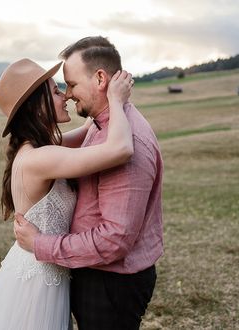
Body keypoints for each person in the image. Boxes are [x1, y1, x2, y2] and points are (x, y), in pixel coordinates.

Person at [14, 36, 164, 330]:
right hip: (92, 272)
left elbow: (114, 240)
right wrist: (112, 101)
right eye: (61, 88)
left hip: (111, 281)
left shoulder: (124, 141)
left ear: (99, 78)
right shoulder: (100, 125)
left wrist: (41, 244)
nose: (67, 95)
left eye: (70, 84)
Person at [0, 57, 134, 330]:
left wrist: (103, 94)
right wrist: (117, 102)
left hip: (47, 271)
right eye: (56, 91)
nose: (66, 95)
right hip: (36, 283)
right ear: (38, 106)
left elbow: (88, 130)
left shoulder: (41, 147)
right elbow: (120, 149)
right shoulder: (40, 158)